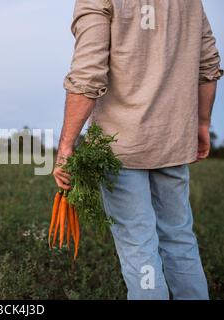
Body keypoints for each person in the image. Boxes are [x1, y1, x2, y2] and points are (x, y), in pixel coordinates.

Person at [53, 0, 223, 300]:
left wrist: (66, 145)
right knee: (180, 240)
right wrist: (202, 123)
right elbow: (208, 65)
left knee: (138, 247)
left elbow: (87, 74)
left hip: (120, 149)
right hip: (172, 142)